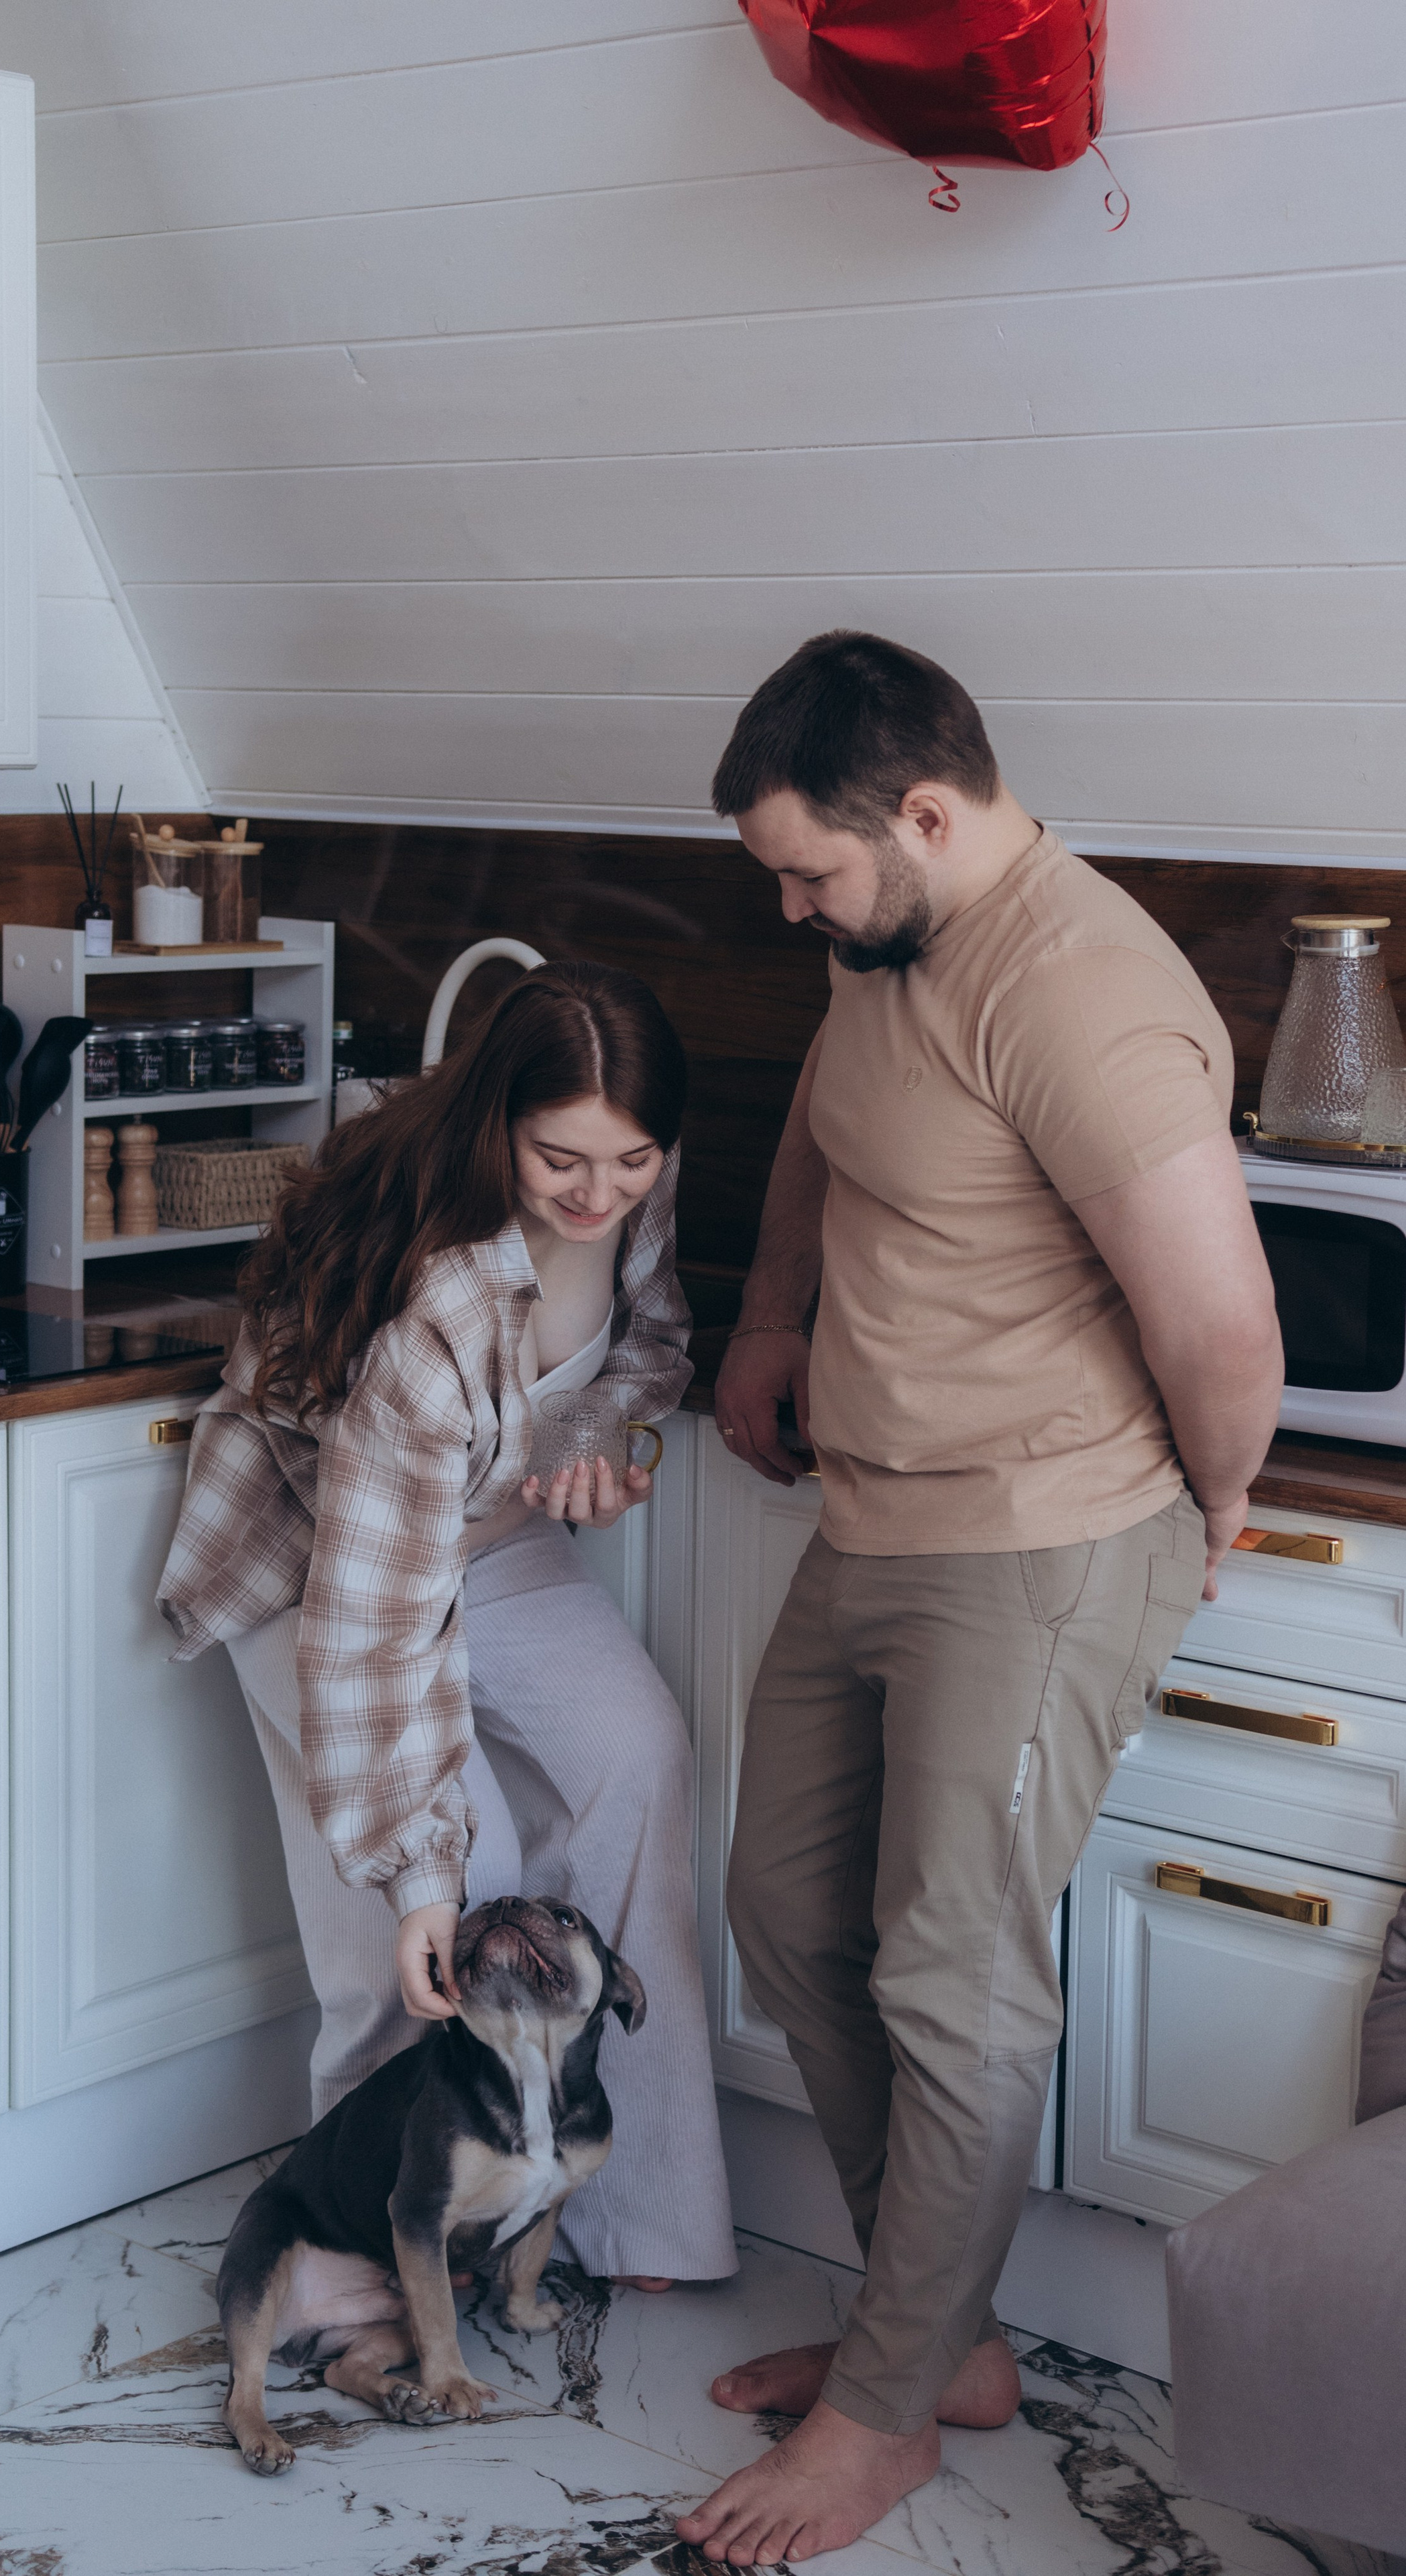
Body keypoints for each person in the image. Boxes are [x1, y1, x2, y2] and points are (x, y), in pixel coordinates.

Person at [676, 633, 1283, 2563]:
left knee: (952, 1980)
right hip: (872, 1517)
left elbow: (1222, 1321)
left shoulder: (1085, 992)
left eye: (808, 873)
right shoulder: (888, 941)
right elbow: (825, 1119)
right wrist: (770, 1311)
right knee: (785, 1908)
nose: (791, 908)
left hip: (1036, 1541)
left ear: (927, 815)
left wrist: (1220, 1502)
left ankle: (885, 2408)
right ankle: (934, 2335)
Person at [158, 960, 736, 2290]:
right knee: (425, 1913)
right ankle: (356, 2260)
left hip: (491, 1534)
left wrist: (600, 1435)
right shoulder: (439, 1301)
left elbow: (651, 1343)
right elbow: (377, 1622)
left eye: (631, 1162)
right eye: (560, 1161)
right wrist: (419, 1871)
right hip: (325, 1572)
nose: (597, 1195)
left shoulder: (628, 1182)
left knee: (636, 1751)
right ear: (496, 1125)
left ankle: (622, 2202)